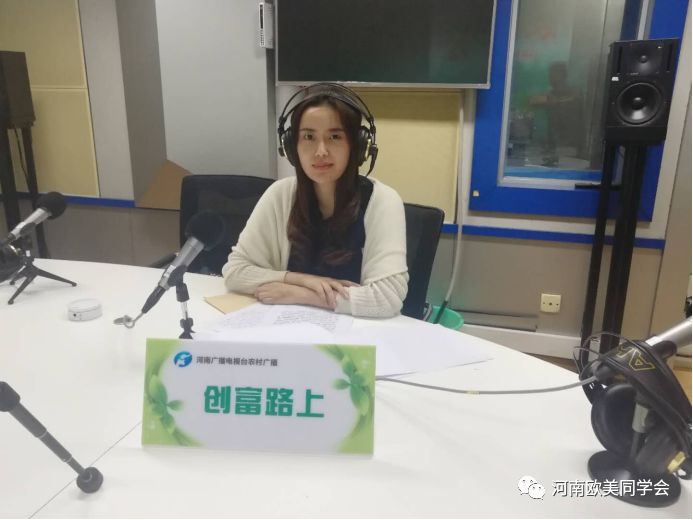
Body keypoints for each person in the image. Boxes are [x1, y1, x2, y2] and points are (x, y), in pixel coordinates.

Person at [222, 83, 408, 318]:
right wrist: (300, 280)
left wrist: (302, 294)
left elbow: (386, 298)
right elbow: (235, 272)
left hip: (359, 333)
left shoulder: (383, 201)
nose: (321, 151)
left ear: (358, 146)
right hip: (288, 328)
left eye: (335, 136)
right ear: (292, 147)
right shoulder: (280, 195)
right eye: (308, 136)